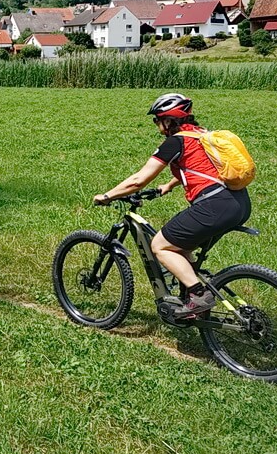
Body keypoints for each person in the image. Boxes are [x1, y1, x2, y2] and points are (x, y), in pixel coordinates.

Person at [92, 93, 251, 318]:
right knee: (181, 247)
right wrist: (169, 184)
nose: (157, 125)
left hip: (214, 206)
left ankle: (199, 296)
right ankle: (192, 303)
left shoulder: (176, 141)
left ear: (169, 120)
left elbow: (139, 180)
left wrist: (108, 196)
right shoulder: (202, 134)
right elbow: (199, 166)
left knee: (160, 246)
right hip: (239, 203)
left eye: (157, 119)